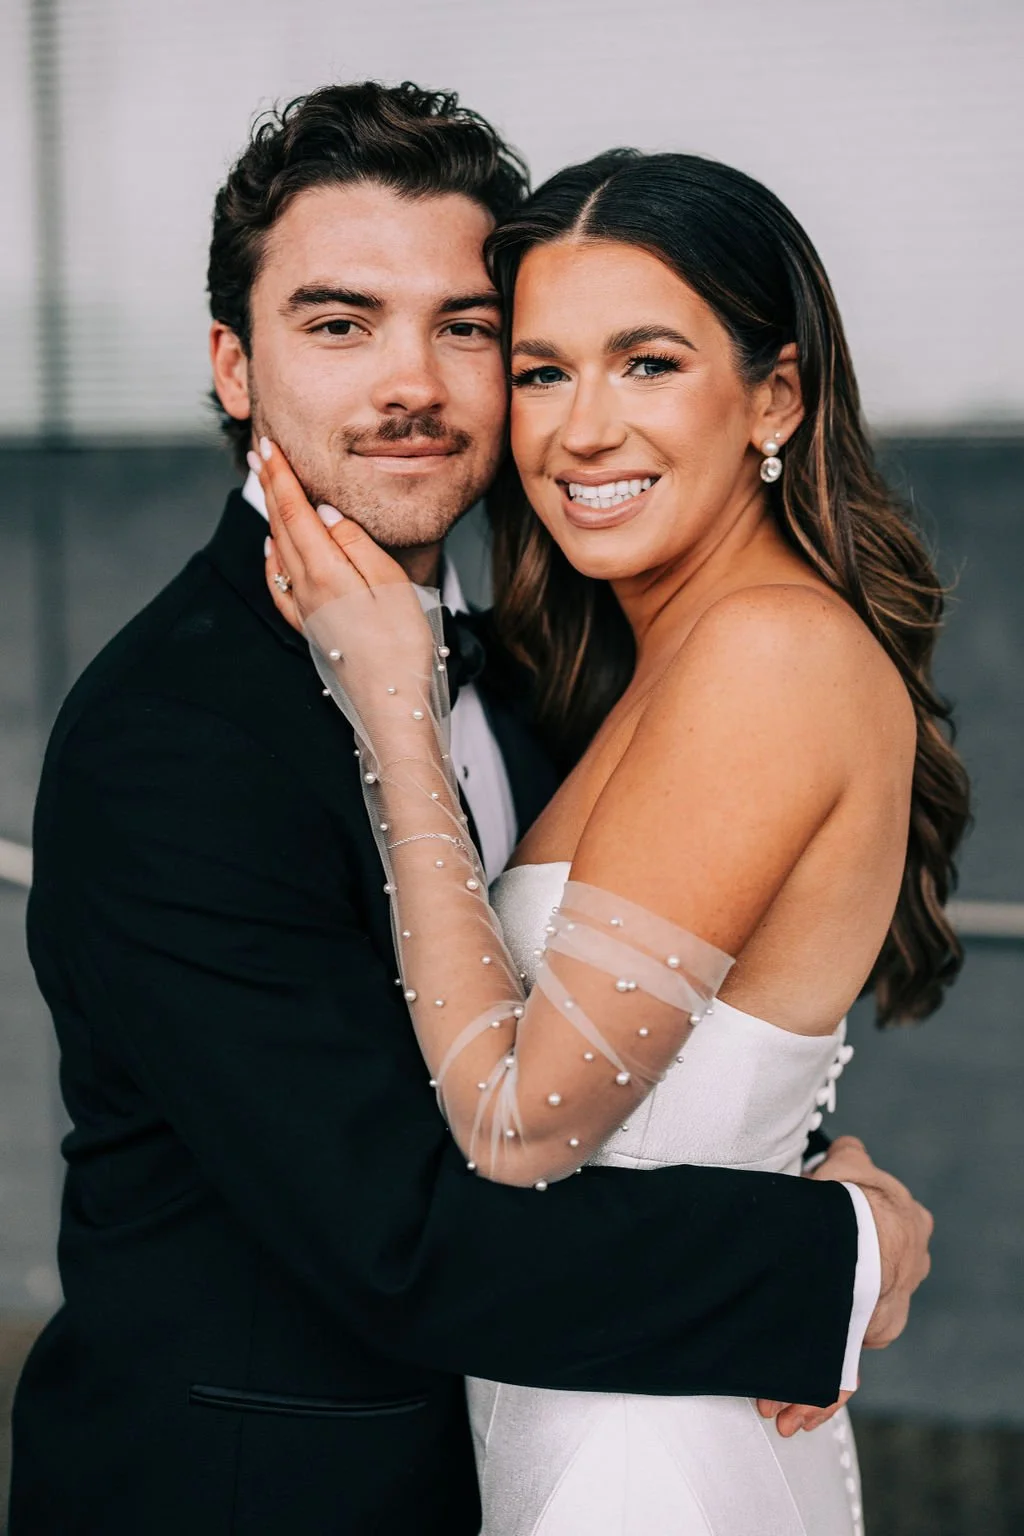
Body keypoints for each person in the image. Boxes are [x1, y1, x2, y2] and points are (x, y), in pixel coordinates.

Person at [10, 86, 938, 1536]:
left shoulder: (538, 669)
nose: (416, 385)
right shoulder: (173, 741)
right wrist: (823, 1256)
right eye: (337, 324)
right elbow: (402, 1239)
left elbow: (647, 1022)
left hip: (568, 1451)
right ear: (233, 367)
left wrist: (796, 1155)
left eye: (466, 329)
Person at [254, 143, 970, 1535]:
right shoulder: (648, 665)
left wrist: (396, 724)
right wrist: (830, 1215)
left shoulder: (766, 654)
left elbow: (523, 1130)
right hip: (589, 1401)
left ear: (776, 394)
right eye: (541, 370)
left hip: (644, 1457)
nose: (580, 430)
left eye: (648, 363)